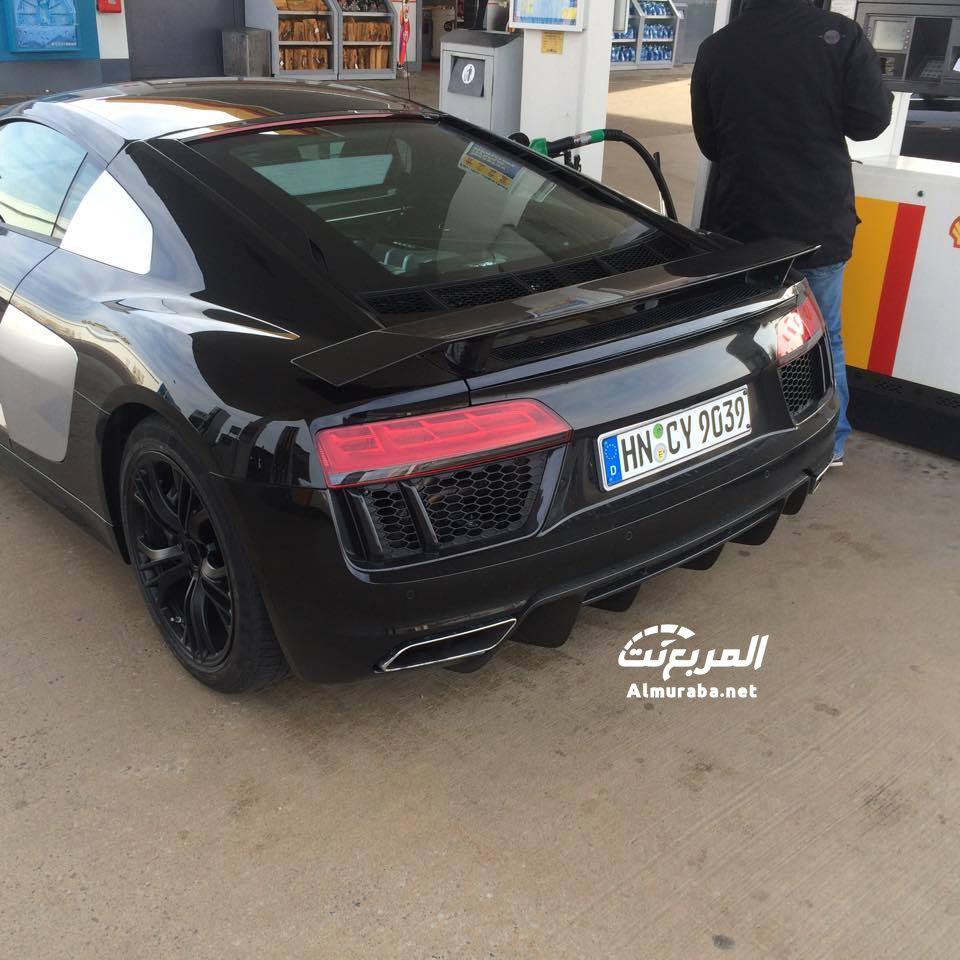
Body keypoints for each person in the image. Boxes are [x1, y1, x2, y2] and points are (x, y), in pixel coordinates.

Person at [691, 0, 892, 466]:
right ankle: (829, 442)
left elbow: (709, 142)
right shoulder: (838, 36)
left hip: (742, 223)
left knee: (745, 338)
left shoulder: (718, 46)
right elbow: (870, 122)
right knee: (822, 335)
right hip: (815, 221)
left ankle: (750, 441)